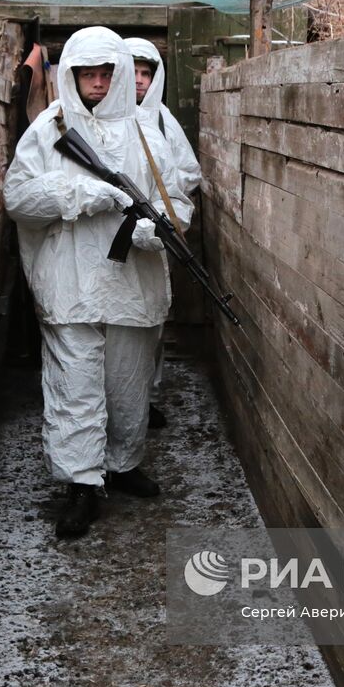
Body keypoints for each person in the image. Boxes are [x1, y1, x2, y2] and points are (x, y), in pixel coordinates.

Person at [4, 27, 194, 538]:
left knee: (128, 386)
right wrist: (82, 193)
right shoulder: (49, 130)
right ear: (71, 75)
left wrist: (158, 231)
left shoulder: (149, 134)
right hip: (70, 285)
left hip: (134, 285)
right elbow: (18, 199)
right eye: (85, 73)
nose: (95, 82)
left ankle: (124, 464)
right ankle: (81, 484)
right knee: (74, 387)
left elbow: (180, 203)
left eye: (104, 72)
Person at [125, 38, 202, 429]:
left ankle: (146, 399)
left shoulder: (162, 120)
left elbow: (188, 172)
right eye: (133, 71)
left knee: (152, 320)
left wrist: (161, 193)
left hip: (151, 234)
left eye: (146, 74)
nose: (139, 81)